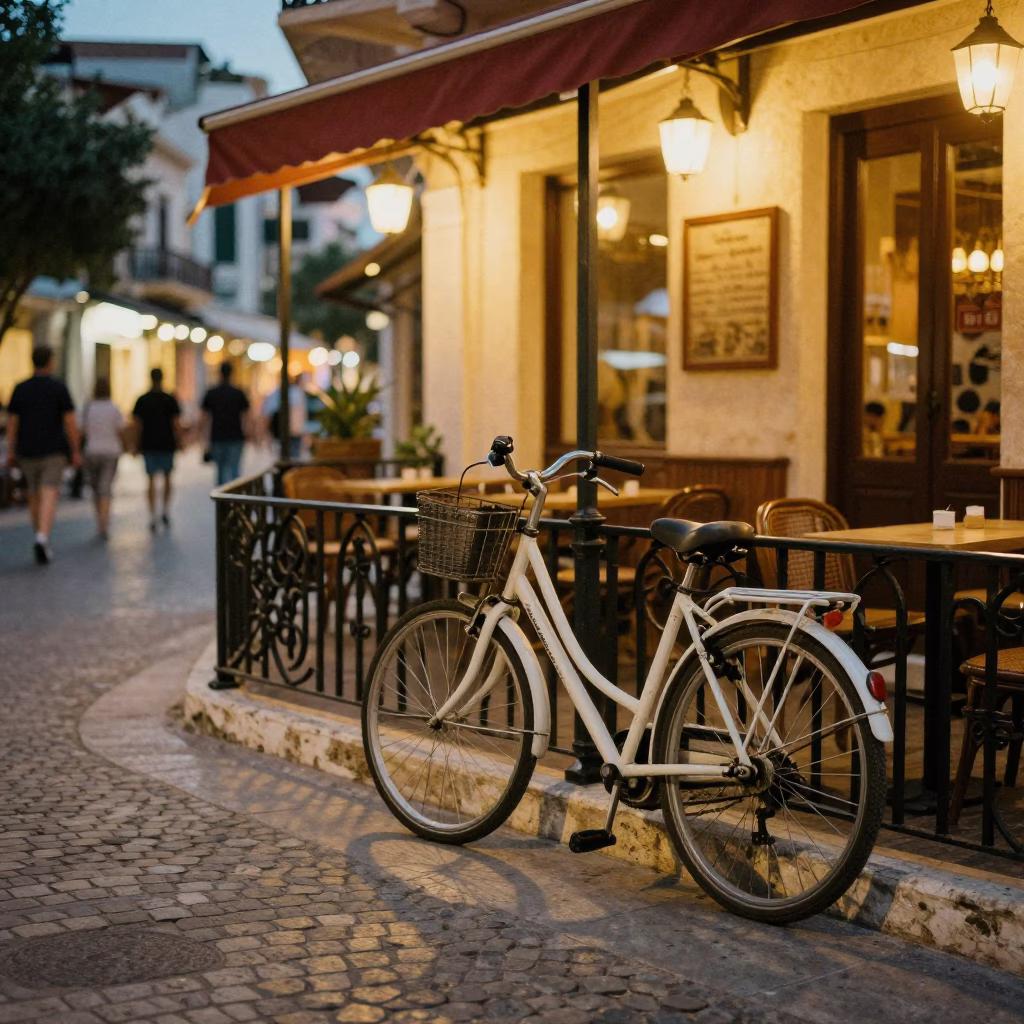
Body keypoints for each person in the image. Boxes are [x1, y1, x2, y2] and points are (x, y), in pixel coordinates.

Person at [4, 345, 81, 564]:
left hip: (27, 450)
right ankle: (42, 536)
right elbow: (70, 422)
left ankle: (39, 534)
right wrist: (75, 450)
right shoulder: (58, 387)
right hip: (53, 451)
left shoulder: (21, 388)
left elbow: (12, 423)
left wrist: (10, 450)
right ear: (50, 361)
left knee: (33, 493)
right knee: (49, 492)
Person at [132, 367, 182, 532]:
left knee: (151, 479)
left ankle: (153, 513)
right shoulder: (169, 399)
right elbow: (176, 424)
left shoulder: (142, 400)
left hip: (149, 444)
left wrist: (135, 444)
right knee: (167, 477)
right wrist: (180, 441)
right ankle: (165, 510)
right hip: (167, 443)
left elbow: (137, 425)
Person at [80, 377, 125, 539]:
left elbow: (81, 430)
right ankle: (104, 523)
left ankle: (100, 520)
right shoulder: (114, 408)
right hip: (111, 451)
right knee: (105, 488)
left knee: (95, 488)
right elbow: (121, 429)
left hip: (92, 450)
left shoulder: (88, 408)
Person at [200, 362, 250, 486]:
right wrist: (249, 433)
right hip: (235, 436)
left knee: (220, 471)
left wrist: (203, 439)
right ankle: (233, 500)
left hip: (217, 436)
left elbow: (204, 418)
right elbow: (247, 417)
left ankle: (222, 502)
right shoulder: (238, 392)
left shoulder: (212, 393)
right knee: (234, 471)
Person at [263, 375, 310, 459]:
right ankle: (293, 471)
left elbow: (267, 414)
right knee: (294, 456)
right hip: (295, 430)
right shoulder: (297, 393)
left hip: (281, 431)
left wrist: (266, 432)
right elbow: (303, 413)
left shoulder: (275, 393)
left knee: (281, 456)